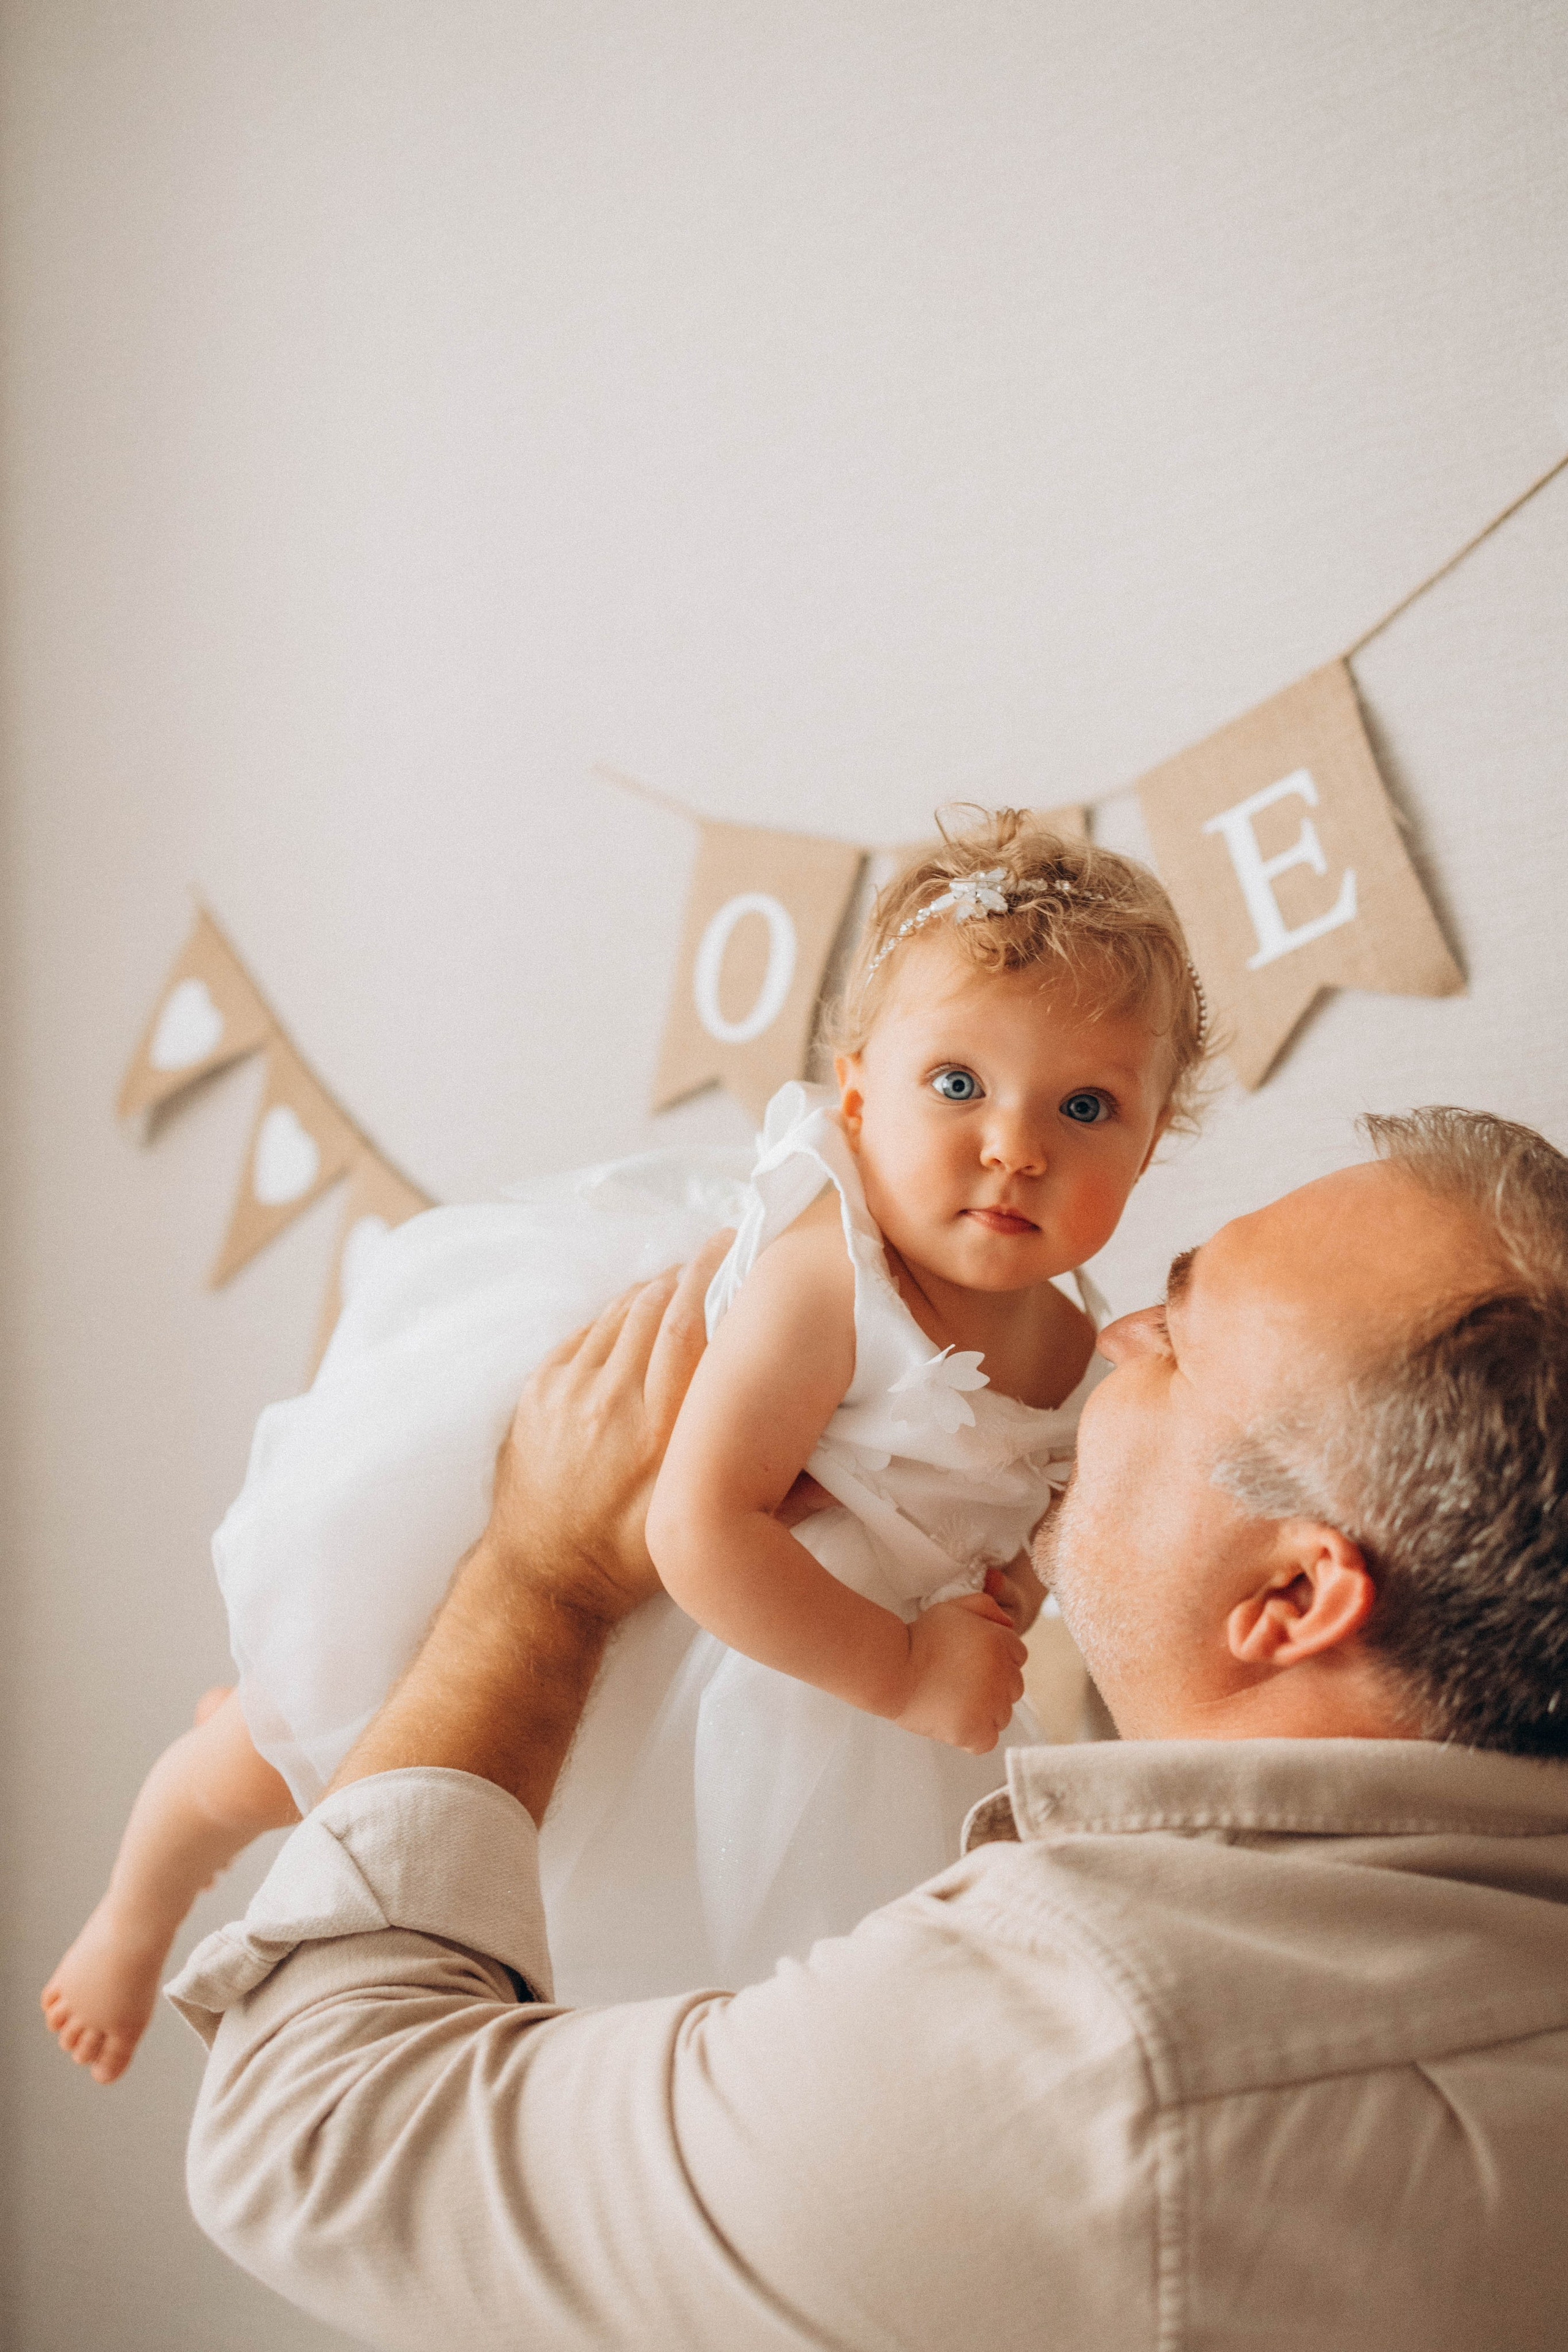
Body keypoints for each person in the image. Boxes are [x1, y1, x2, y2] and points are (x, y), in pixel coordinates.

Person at [164, 1102, 1568, 2351]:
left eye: (1177, 1336)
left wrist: (539, 1582)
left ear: (1289, 1596)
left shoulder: (1083, 2074)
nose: (1115, 1334)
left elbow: (315, 2142)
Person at [43, 811, 1211, 2078]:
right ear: (860, 1091)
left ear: (1150, 1143)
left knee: (746, 1940)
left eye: (1084, 1107)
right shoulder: (827, 1285)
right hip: (698, 1603)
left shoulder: (1076, 1337)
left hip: (811, 1676)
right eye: (956, 1085)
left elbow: (1021, 1513)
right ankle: (141, 1901)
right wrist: (905, 1676)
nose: (1014, 1146)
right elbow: (694, 1529)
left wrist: (1005, 1603)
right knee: (300, 1751)